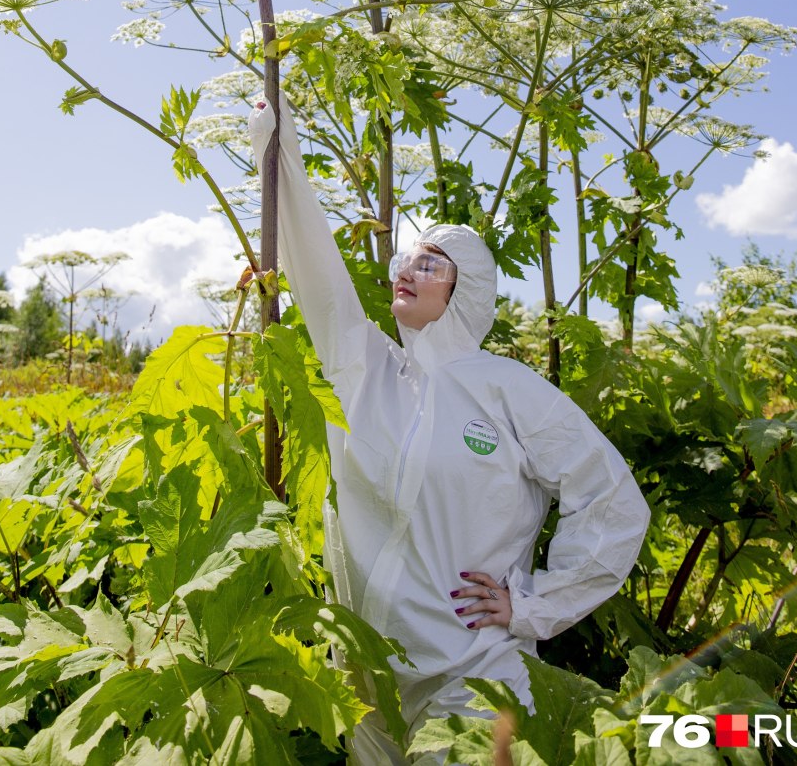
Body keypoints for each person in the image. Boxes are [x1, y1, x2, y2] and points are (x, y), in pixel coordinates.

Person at [249, 94, 650, 766]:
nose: (406, 268)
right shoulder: (364, 367)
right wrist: (278, 148)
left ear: (465, 292)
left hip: (472, 678)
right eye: (405, 258)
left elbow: (612, 502)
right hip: (367, 680)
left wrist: (532, 603)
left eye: (430, 262)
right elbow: (318, 275)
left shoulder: (508, 389)